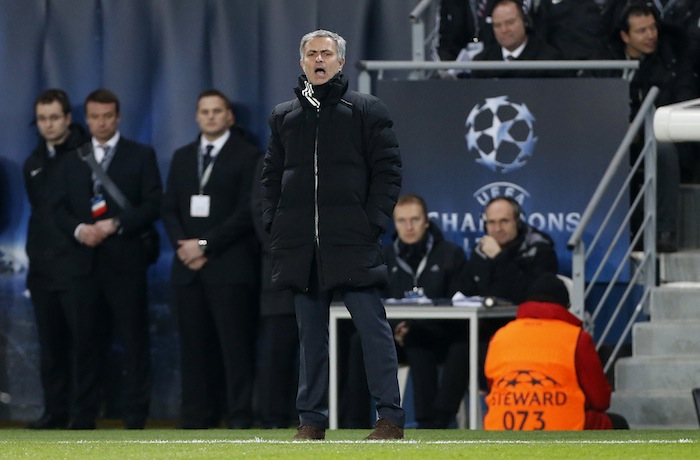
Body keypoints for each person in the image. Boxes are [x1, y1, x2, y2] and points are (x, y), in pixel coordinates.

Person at [261, 29, 405, 440]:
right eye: (312, 54)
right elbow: (271, 176)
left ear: (341, 62)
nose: (319, 59)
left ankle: (390, 418)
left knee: (373, 330)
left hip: (353, 241)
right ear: (302, 62)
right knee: (310, 337)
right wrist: (275, 223)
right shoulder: (283, 116)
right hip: (300, 246)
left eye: (326, 53)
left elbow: (388, 171)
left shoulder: (366, 109)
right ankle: (311, 421)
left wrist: (371, 223)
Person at [53, 88, 162, 429]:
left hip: (126, 263)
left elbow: (153, 203)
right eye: (95, 117)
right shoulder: (72, 158)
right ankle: (82, 416)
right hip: (84, 264)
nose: (101, 122)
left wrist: (115, 223)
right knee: (84, 344)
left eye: (107, 116)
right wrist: (79, 230)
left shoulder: (140, 155)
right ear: (86, 119)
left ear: (118, 117)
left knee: (134, 342)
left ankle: (135, 416)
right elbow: (58, 208)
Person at [161, 89, 260, 429]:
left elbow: (247, 212)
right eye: (205, 111)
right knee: (193, 348)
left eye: (217, 110)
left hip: (229, 267)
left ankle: (239, 416)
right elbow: (169, 208)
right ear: (197, 116)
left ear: (229, 116)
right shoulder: (182, 156)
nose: (211, 116)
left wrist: (203, 245)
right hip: (187, 270)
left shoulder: (248, 156)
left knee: (235, 348)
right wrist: (185, 247)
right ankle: (196, 416)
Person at [344, 194, 472, 429]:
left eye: (415, 219)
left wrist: (412, 326)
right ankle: (354, 422)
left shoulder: (450, 254)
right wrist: (394, 328)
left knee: (418, 339)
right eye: (402, 221)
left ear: (427, 221)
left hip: (436, 335)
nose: (409, 227)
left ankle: (429, 423)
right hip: (391, 335)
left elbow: (458, 304)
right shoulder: (385, 256)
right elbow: (374, 302)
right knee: (357, 340)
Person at [483, 273, 629, 430]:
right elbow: (601, 400)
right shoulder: (576, 339)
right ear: (566, 306)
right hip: (562, 428)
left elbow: (494, 386)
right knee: (617, 424)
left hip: (502, 429)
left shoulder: (500, 337)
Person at [23, 89, 89, 429]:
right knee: (50, 347)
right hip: (42, 269)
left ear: (67, 118)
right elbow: (40, 214)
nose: (48, 125)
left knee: (82, 344)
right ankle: (54, 411)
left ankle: (82, 413)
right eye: (42, 119)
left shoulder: (85, 156)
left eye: (53, 117)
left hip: (77, 266)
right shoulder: (32, 163)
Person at [608, 2, 698, 251]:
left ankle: (664, 231)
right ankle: (613, 230)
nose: (651, 35)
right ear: (625, 36)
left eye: (653, 28)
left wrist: (639, 129)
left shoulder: (672, 61)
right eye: (642, 31)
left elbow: (679, 103)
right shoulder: (610, 61)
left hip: (662, 136)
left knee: (662, 149)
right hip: (619, 136)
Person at [251, 155, 298, 429]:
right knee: (275, 352)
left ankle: (314, 418)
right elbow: (261, 212)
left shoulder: (332, 154)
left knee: (318, 353)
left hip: (323, 273)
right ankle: (273, 420)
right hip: (280, 271)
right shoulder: (270, 160)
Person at [469, 196, 558, 304]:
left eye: (504, 221)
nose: (497, 228)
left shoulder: (540, 249)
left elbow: (532, 296)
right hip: (485, 314)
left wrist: (499, 257)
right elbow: (467, 294)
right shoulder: (480, 251)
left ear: (518, 222)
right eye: (491, 222)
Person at [472, 0, 564, 78]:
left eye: (510, 22)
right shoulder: (482, 62)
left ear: (525, 21)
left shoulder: (548, 60)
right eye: (497, 25)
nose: (504, 30)